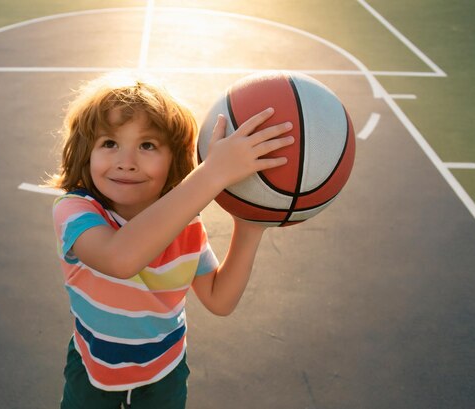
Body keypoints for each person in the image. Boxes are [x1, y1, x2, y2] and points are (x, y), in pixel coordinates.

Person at [47, 72, 294, 409]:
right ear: (85, 152)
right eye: (109, 143)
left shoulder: (185, 225)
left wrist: (250, 226)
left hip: (165, 372)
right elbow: (120, 259)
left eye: (147, 145)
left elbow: (219, 300)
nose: (126, 162)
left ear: (175, 158)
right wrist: (213, 173)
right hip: (94, 370)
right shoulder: (75, 212)